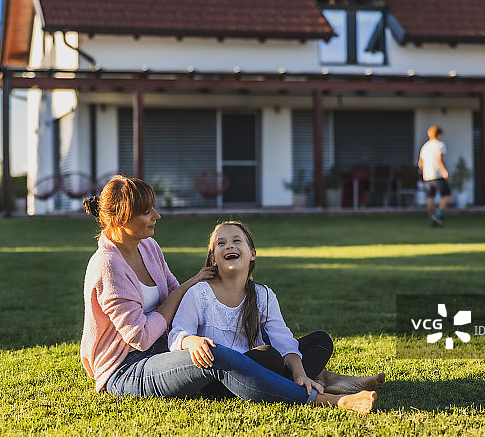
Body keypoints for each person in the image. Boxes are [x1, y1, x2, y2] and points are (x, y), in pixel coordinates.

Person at [79, 175, 377, 413]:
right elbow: (141, 337)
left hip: (162, 353)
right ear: (121, 219)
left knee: (286, 349)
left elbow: (173, 292)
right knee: (215, 354)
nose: (156, 215)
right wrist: (188, 301)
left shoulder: (148, 247)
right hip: (128, 368)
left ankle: (320, 378)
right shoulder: (107, 266)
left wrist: (190, 285)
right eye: (146, 211)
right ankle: (325, 399)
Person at [169, 220, 386, 397]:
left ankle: (309, 380)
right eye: (221, 243)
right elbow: (176, 334)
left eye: (236, 241)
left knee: (320, 341)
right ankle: (326, 382)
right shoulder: (199, 293)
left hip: (263, 367)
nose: (229, 246)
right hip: (219, 379)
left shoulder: (263, 295)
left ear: (252, 254)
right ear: (213, 259)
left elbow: (282, 339)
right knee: (268, 357)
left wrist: (300, 373)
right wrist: (191, 341)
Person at [417, 126, 451, 227]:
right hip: (437, 175)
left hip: (427, 176)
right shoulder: (440, 145)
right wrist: (445, 171)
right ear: (439, 134)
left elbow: (420, 163)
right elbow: (440, 159)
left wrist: (425, 171)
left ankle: (433, 219)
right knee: (447, 196)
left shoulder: (425, 146)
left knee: (430, 198)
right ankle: (438, 215)